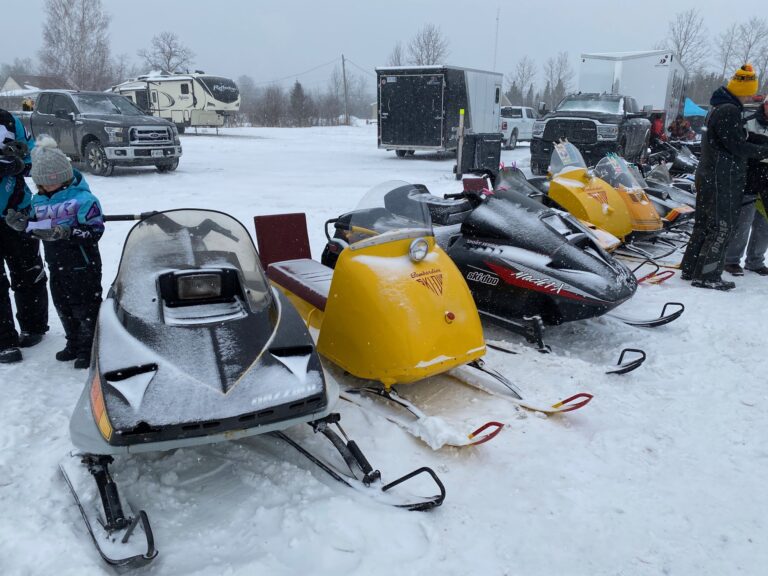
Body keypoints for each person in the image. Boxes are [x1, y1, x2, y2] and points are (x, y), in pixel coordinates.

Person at [6, 136, 104, 368]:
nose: (48, 186)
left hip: (83, 264)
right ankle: (72, 342)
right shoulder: (38, 202)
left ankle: (88, 347)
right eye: (43, 182)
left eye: (53, 180)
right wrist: (23, 225)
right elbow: (38, 228)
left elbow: (94, 231)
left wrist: (67, 232)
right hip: (57, 265)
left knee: (85, 307)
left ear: (65, 176)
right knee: (64, 305)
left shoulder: (84, 200)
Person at [680, 64, 768, 290]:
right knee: (722, 226)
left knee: (705, 224)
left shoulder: (719, 106)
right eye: (750, 91)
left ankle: (691, 268)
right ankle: (708, 275)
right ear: (742, 88)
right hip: (721, 177)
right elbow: (736, 146)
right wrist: (763, 150)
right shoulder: (729, 110)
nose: (751, 95)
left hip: (713, 173)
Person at [0, 109, 48, 364]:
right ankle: (3, 340)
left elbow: (36, 158)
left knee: (29, 271)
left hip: (18, 210)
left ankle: (34, 325)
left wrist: (19, 164)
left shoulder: (8, 120)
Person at [724, 95, 768, 277]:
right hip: (749, 179)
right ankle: (732, 260)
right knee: (743, 222)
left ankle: (756, 260)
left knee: (764, 224)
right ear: (764, 105)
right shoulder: (747, 122)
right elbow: (738, 148)